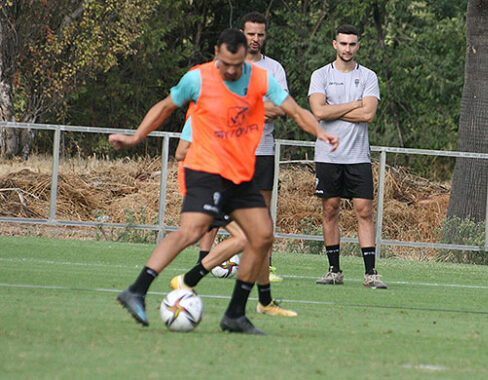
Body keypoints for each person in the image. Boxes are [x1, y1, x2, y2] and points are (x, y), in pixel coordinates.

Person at [110, 28, 337, 334]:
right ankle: (137, 289)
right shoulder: (198, 79)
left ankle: (235, 314)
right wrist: (137, 136)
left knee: (261, 236)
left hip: (240, 174)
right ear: (217, 52)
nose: (231, 70)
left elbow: (294, 110)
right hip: (205, 170)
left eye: (238, 64)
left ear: (246, 57)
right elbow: (165, 107)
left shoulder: (258, 78)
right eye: (226, 63)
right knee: (191, 231)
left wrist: (320, 132)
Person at [171, 120, 297, 318]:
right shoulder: (203, 112)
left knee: (261, 234)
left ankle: (265, 301)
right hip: (211, 187)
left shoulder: (229, 110)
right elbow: (181, 152)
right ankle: (188, 279)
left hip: (231, 184)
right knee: (244, 238)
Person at [308, 24, 386, 289]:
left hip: (358, 156)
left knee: (364, 211)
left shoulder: (368, 76)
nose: (347, 49)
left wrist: (334, 109)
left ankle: (371, 273)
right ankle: (334, 270)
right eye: (343, 44)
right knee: (330, 210)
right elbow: (318, 112)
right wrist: (355, 103)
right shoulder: (320, 75)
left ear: (358, 46)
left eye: (352, 44)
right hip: (328, 156)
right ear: (334, 44)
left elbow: (368, 115)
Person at [242, 11, 288, 284]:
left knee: (263, 210)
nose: (256, 39)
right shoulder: (229, 65)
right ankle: (206, 259)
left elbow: (280, 108)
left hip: (263, 149)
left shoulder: (274, 69)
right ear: (242, 34)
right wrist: (261, 107)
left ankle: (266, 266)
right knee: (220, 206)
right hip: (231, 150)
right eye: (251, 34)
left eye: (260, 34)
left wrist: (244, 108)